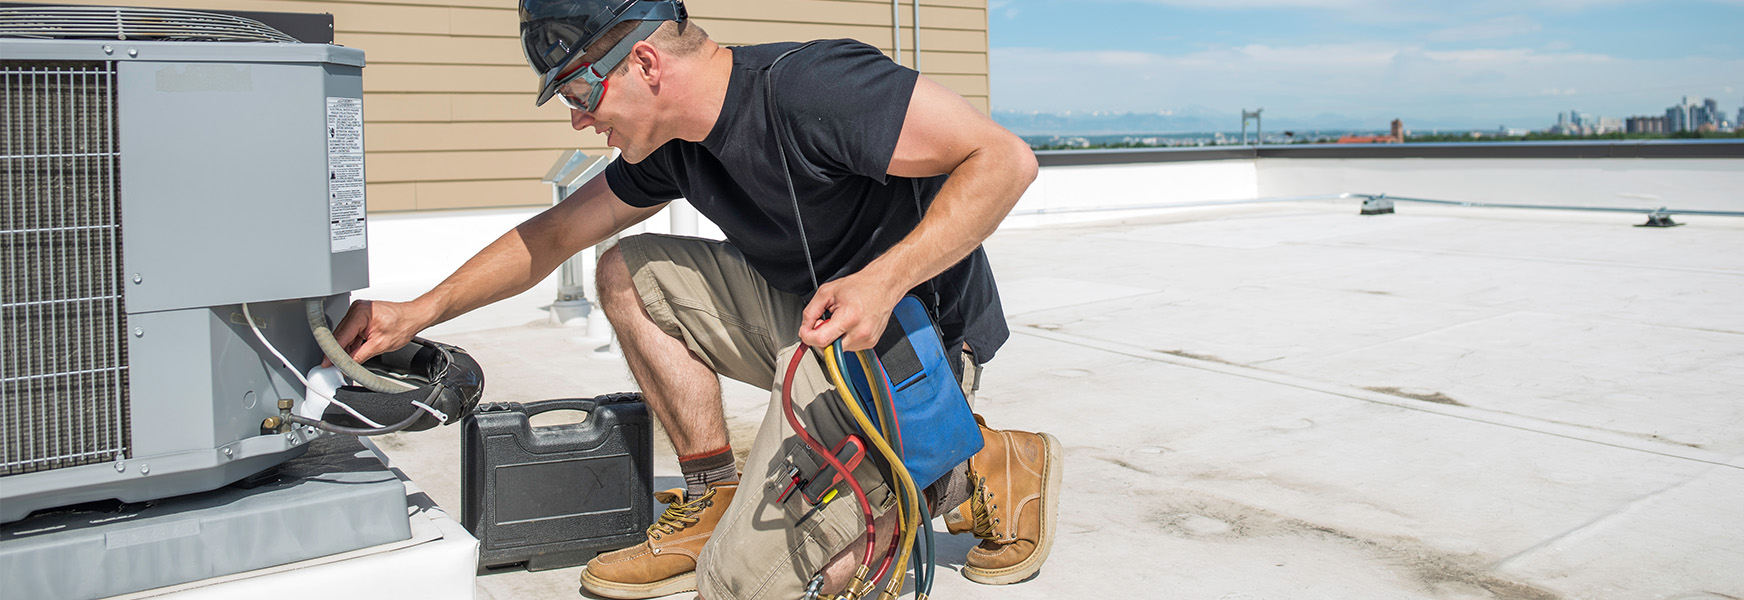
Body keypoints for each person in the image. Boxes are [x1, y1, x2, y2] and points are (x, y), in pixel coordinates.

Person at [332, 1, 1061, 598]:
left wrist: (886, 277)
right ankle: (714, 497)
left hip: (907, 342)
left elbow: (1003, 159)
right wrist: (415, 312)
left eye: (580, 91)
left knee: (748, 587)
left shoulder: (813, 86)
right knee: (627, 272)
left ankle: (978, 463)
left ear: (644, 63)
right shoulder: (674, 144)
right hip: (812, 323)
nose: (579, 119)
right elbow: (554, 236)